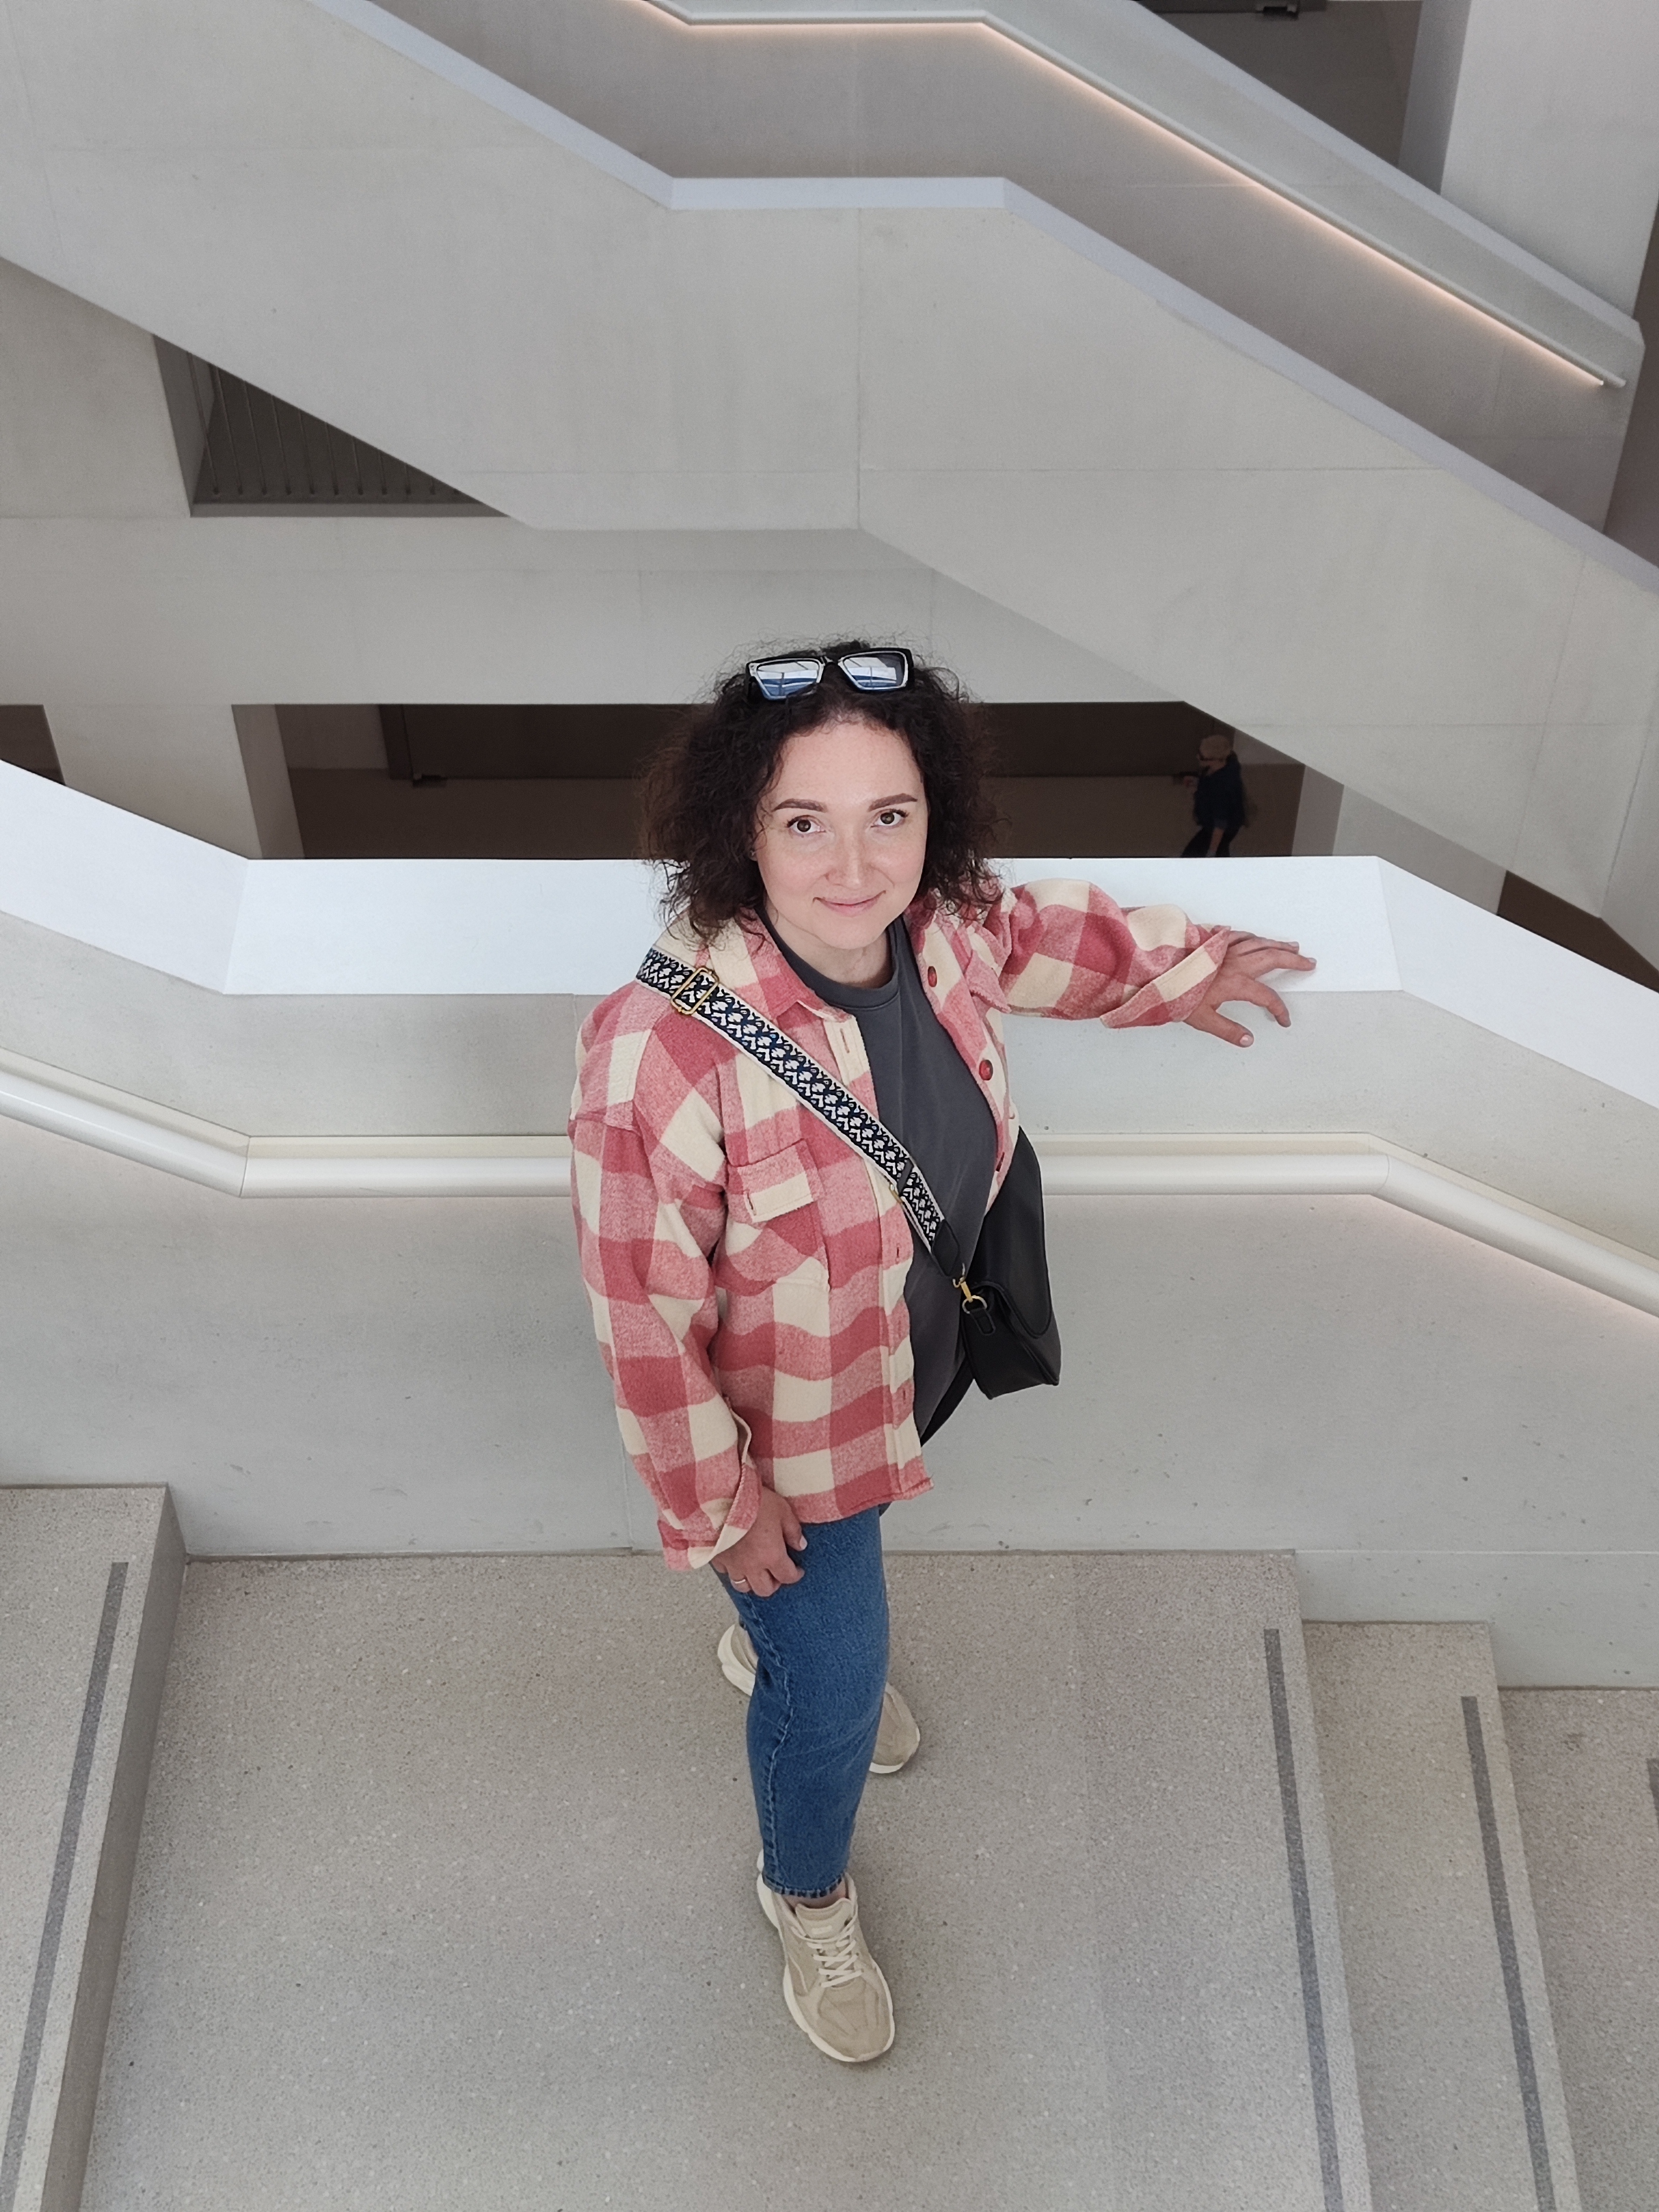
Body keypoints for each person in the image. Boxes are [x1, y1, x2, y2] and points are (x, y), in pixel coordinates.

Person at [568, 643, 1313, 2065]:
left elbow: (1044, 938)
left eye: (888, 816)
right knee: (834, 1693)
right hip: (784, 1451)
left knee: (820, 1628)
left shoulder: (944, 924)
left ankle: (777, 1642)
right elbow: (641, 1317)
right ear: (741, 828)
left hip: (901, 1373)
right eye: (806, 823)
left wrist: (1189, 966)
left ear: (935, 817)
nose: (854, 864)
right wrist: (725, 1511)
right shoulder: (657, 1053)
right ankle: (808, 1888)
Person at [1181, 725, 1249, 856]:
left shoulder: (1222, 788)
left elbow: (1220, 825)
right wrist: (1198, 784)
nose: (1198, 757)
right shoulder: (1220, 769)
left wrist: (1211, 852)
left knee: (1196, 854)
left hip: (1218, 829)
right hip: (1218, 824)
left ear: (1214, 760)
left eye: (1202, 757)